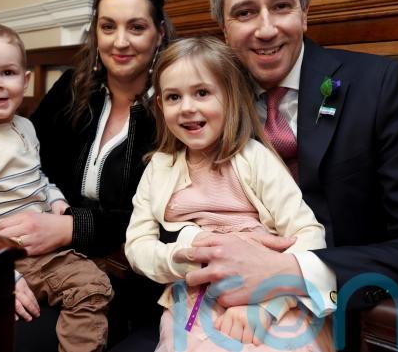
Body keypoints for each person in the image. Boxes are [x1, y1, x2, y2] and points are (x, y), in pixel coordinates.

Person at [172, 0, 398, 349]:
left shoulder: (378, 86)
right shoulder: (202, 105)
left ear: (305, 13)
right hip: (215, 307)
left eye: (281, 6)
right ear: (224, 30)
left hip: (337, 314)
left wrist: (291, 271)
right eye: (245, 12)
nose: (266, 28)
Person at [0, 0, 176, 349]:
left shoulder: (175, 106)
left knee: (14, 339)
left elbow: (166, 215)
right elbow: (28, 165)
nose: (120, 41)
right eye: (108, 26)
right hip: (41, 255)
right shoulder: (71, 88)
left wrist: (73, 227)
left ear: (159, 34)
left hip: (120, 276)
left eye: (136, 27)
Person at [125, 37, 335, 351]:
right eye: (173, 97)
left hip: (271, 297)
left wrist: (264, 304)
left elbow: (308, 233)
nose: (187, 108)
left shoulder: (255, 159)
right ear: (160, 106)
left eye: (202, 93)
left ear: (231, 97)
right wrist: (185, 259)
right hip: (195, 300)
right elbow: (137, 246)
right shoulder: (159, 168)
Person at [0, 21, 113, 352]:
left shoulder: (24, 127)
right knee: (91, 289)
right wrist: (2, 277)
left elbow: (38, 178)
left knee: (103, 274)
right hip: (6, 256)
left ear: (25, 80)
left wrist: (56, 201)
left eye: (8, 72)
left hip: (42, 243)